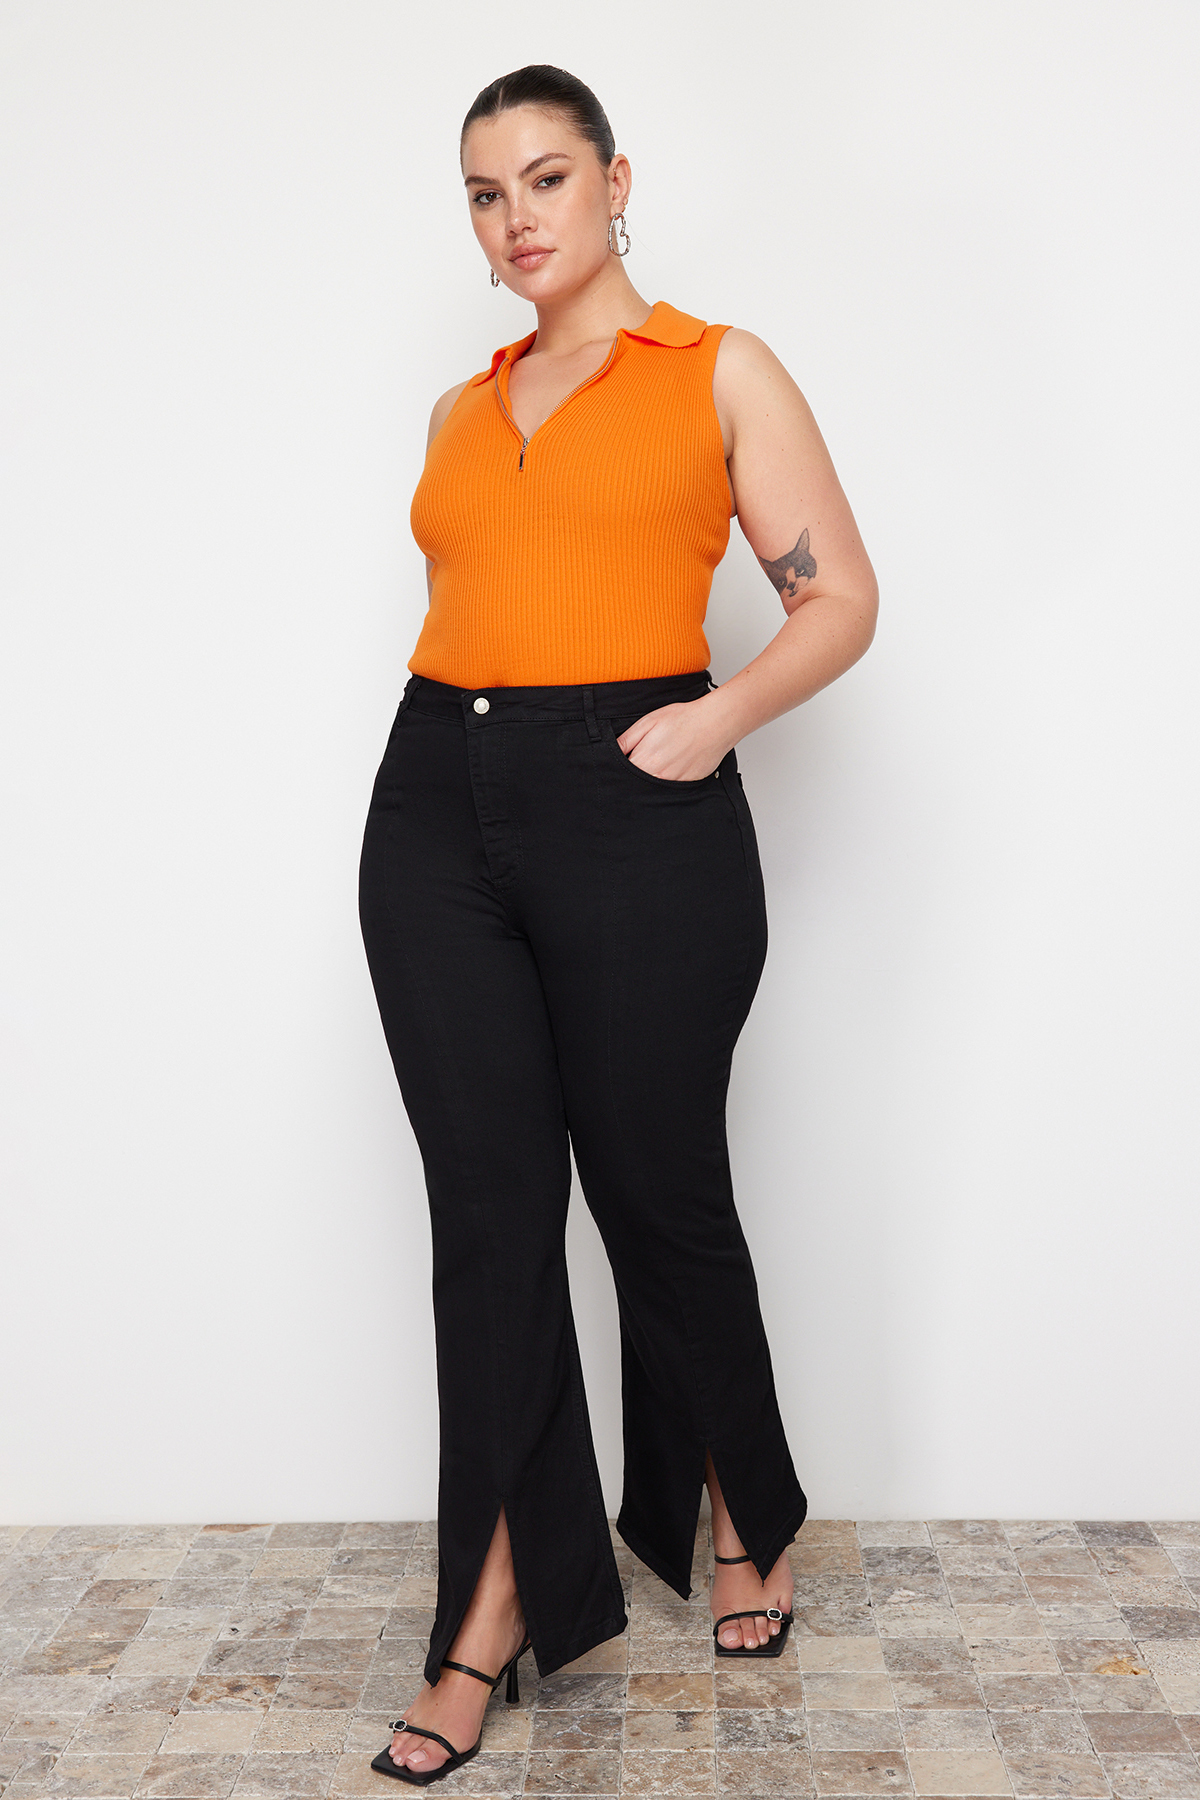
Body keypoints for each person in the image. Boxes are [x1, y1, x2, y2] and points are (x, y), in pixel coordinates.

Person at [358, 63, 878, 1785]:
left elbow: (841, 601)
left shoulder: (715, 366)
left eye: (546, 178)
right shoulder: (463, 405)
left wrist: (713, 720)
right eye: (485, 192)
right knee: (491, 1225)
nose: (516, 217)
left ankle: (741, 1502)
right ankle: (494, 1603)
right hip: (436, 803)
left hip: (637, 799)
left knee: (656, 1193)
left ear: (614, 181)